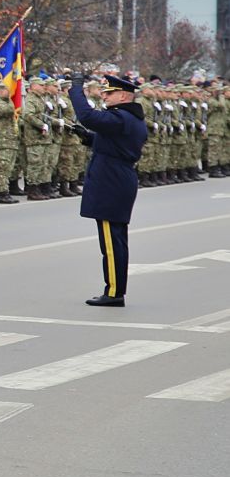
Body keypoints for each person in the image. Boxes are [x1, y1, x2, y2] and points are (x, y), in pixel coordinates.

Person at [68, 73, 147, 307]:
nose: (105, 96)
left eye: (109, 93)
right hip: (117, 178)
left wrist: (76, 89)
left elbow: (87, 116)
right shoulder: (128, 118)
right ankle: (114, 289)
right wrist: (88, 139)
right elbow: (115, 145)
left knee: (112, 242)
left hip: (111, 181)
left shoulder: (121, 117)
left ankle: (113, 292)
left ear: (123, 95)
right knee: (116, 240)